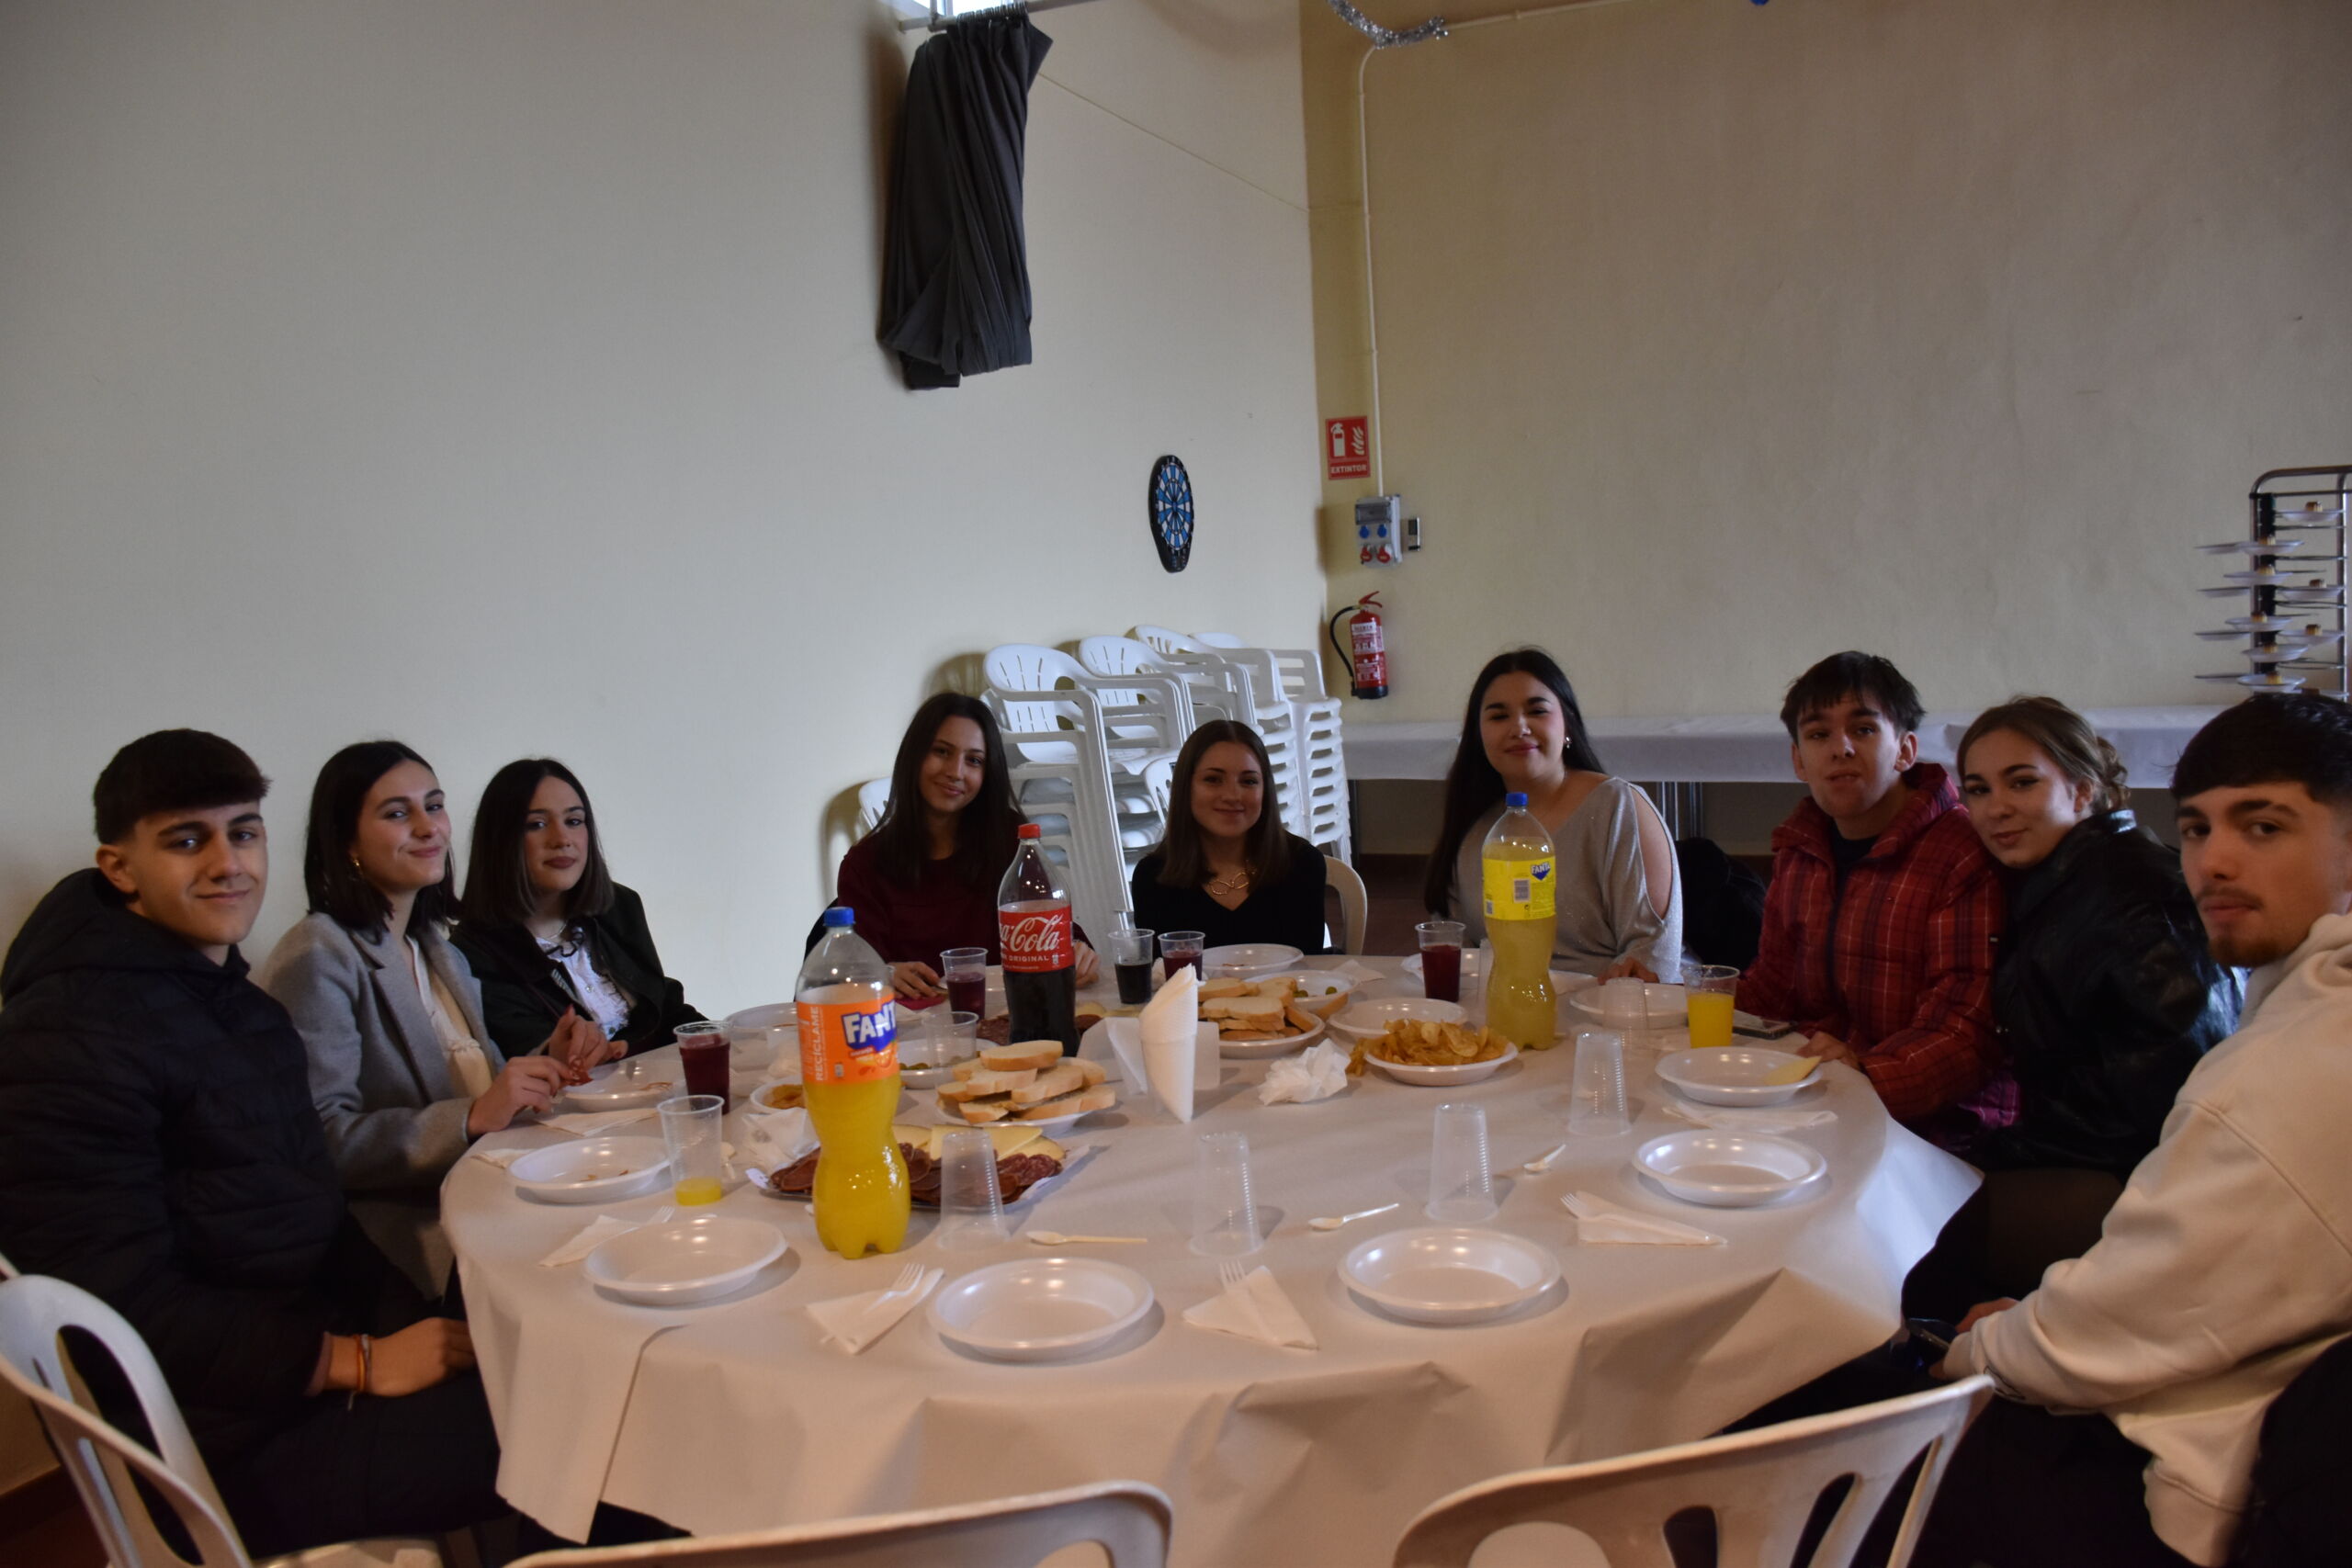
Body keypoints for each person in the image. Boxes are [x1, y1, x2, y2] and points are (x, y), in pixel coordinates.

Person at [0, 731, 504, 1556]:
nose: (227, 863)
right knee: (573, 1423)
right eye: (185, 840)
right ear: (119, 866)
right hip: (227, 1442)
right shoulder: (62, 1036)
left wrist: (422, 1327)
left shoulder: (241, 1010)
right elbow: (118, 1300)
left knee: (563, 1363)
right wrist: (357, 1361)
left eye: (243, 831)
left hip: (304, 1377)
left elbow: (321, 1218)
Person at [1918, 693, 2352, 1568]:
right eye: (2196, 828)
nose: (2214, 862)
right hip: (2228, 1382)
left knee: (1861, 1429)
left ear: (2084, 790)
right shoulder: (2298, 1004)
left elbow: (2129, 1318)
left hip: (2215, 1491)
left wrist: (1972, 1351)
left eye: (2264, 826)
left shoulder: (2289, 1069)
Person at [1909, 697, 2237, 1312]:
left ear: (2083, 789)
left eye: (2022, 782)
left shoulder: (2137, 898)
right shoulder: (2062, 879)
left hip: (2146, 1184)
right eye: (1978, 789)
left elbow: (2175, 1104)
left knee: (1911, 1230)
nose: (1996, 807)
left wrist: (2008, 1151)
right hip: (2082, 1154)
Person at [258, 741, 590, 1295]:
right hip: (411, 1247)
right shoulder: (319, 953)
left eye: (434, 806)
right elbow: (318, 1140)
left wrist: (546, 1061)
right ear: (346, 841)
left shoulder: (438, 951)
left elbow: (475, 1087)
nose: (427, 827)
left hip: (495, 1204)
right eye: (397, 813)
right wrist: (470, 1118)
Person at [1736, 651, 2007, 1148]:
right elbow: (1773, 990)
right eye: (1819, 734)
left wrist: (1863, 1075)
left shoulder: (1962, 853)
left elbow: (1965, 1033)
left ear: (1904, 750)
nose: (1840, 748)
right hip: (1820, 1099)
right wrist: (1667, 1000)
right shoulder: (1801, 848)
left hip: (1935, 1126)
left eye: (1862, 730)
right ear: (1799, 761)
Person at [1421, 649, 1681, 978]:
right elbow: (1453, 944)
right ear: (1478, 735)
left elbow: (1653, 954)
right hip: (1498, 1004)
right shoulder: (1474, 821)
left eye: (1537, 711)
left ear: (1567, 723)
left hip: (1605, 1006)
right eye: (1499, 717)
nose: (1519, 727)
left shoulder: (1616, 806)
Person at [830, 694, 1097, 999]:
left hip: (1008, 1014)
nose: (955, 772)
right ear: (914, 756)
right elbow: (852, 972)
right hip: (914, 1022)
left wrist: (1078, 951)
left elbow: (1050, 924)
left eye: (974, 760)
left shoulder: (1009, 838)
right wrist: (883, 974)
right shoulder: (865, 864)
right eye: (941, 751)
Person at [452, 757, 703, 1061]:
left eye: (573, 821)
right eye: (537, 824)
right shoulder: (471, 955)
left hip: (664, 1081)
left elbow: (666, 1011)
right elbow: (534, 1054)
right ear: (499, 839)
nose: (562, 840)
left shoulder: (619, 905)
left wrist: (733, 1039)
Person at [1130, 720, 1328, 953]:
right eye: (1213, 779)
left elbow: (1309, 965)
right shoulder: (1153, 878)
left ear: (1265, 792)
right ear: (1186, 787)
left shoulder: (1303, 864)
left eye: (1248, 781)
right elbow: (1162, 973)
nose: (1232, 795)